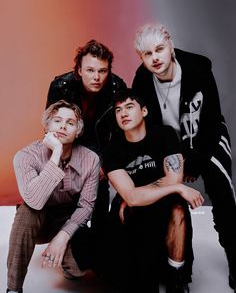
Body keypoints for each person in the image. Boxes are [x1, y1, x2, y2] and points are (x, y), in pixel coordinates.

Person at [132, 23, 236, 291]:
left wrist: (195, 163)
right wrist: (173, 166)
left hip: (205, 138)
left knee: (223, 194)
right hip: (167, 146)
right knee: (167, 200)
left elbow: (212, 120)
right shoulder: (142, 79)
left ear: (171, 46)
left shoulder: (199, 68)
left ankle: (235, 258)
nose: (155, 58)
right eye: (147, 54)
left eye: (159, 49)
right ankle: (179, 271)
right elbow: (147, 131)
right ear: (140, 57)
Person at [99, 88, 204, 293]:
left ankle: (176, 277)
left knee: (178, 210)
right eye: (118, 110)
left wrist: (138, 194)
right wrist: (176, 187)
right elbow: (131, 197)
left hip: (163, 202)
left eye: (130, 107)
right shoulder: (112, 149)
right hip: (132, 212)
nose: (124, 114)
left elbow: (173, 176)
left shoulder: (164, 135)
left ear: (144, 111)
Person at [6, 100, 100, 293]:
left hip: (68, 219)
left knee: (79, 269)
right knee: (26, 212)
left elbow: (86, 207)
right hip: (39, 217)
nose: (63, 126)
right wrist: (56, 153)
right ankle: (13, 289)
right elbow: (34, 200)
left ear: (78, 132)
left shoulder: (91, 159)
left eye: (70, 123)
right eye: (57, 121)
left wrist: (63, 237)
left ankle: (68, 264)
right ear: (47, 126)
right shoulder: (26, 156)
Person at [46, 39, 126, 231]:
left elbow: (121, 133)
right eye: (90, 70)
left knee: (99, 200)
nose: (97, 77)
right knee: (66, 201)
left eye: (102, 71)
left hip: (101, 149)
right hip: (69, 145)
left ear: (109, 71)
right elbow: (52, 128)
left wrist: (104, 163)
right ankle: (67, 231)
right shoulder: (61, 86)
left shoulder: (117, 87)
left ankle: (98, 239)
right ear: (79, 70)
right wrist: (65, 158)